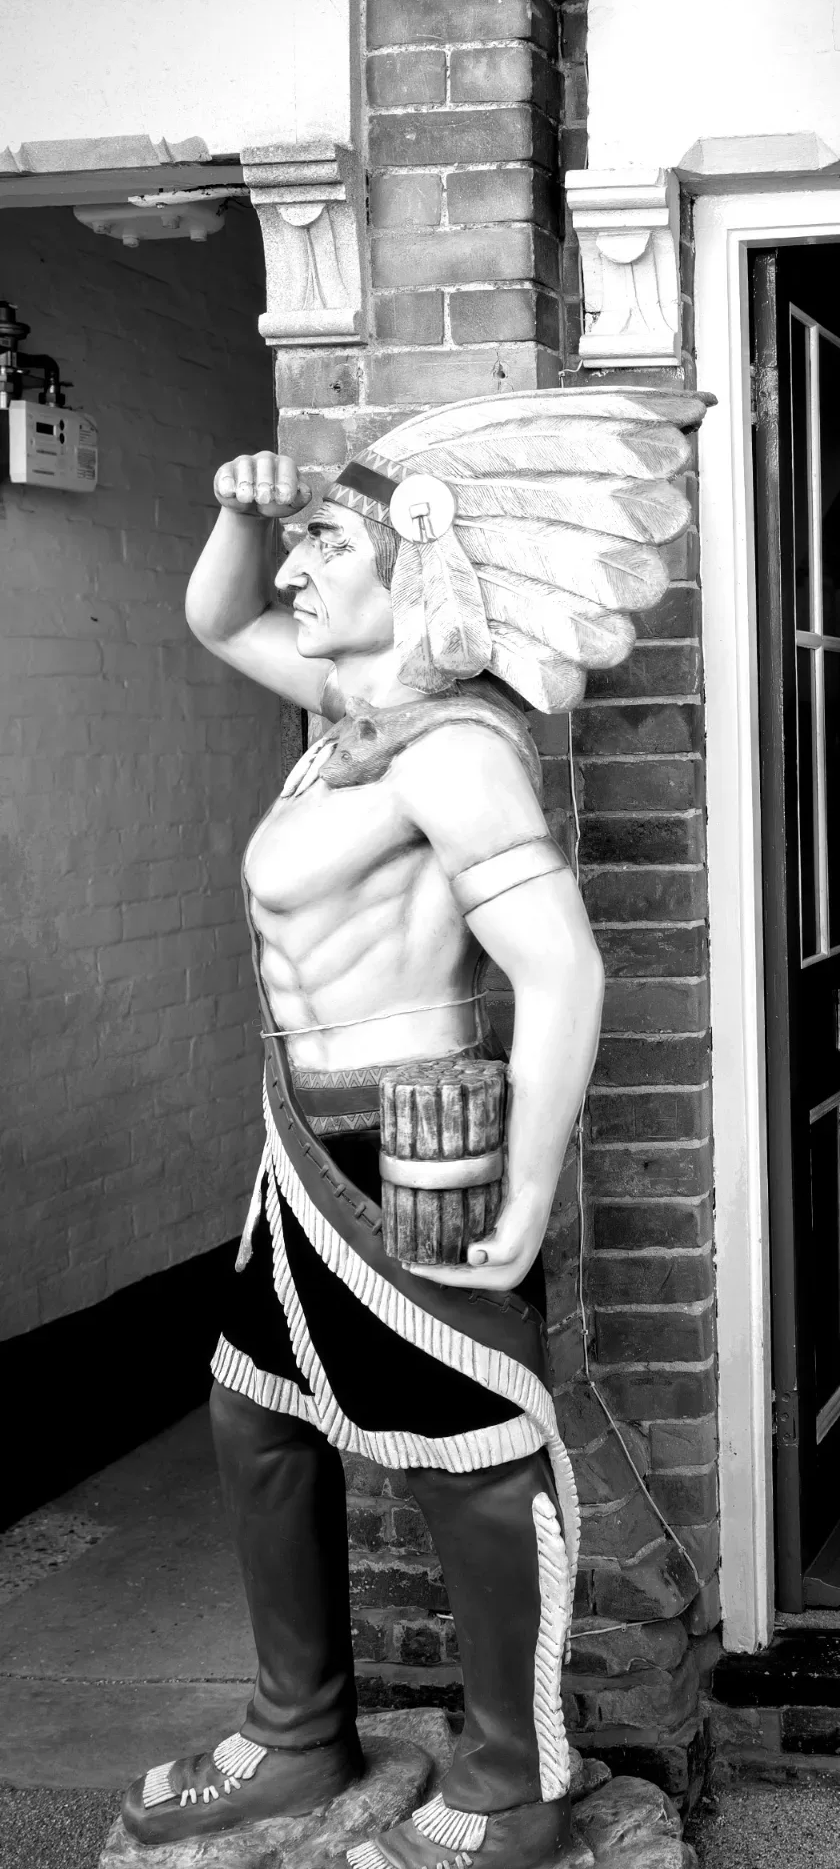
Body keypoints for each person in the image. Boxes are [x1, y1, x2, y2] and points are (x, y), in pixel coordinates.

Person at [120, 392, 695, 1869]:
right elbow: (212, 614)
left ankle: (515, 1782)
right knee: (256, 1414)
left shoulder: (453, 753)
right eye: (298, 546)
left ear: (412, 569)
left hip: (405, 1148)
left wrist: (530, 1185)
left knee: (471, 1460)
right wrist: (246, 513)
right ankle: (299, 1728)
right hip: (299, 1141)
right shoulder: (342, 727)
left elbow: (563, 969)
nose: (295, 574)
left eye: (324, 544)